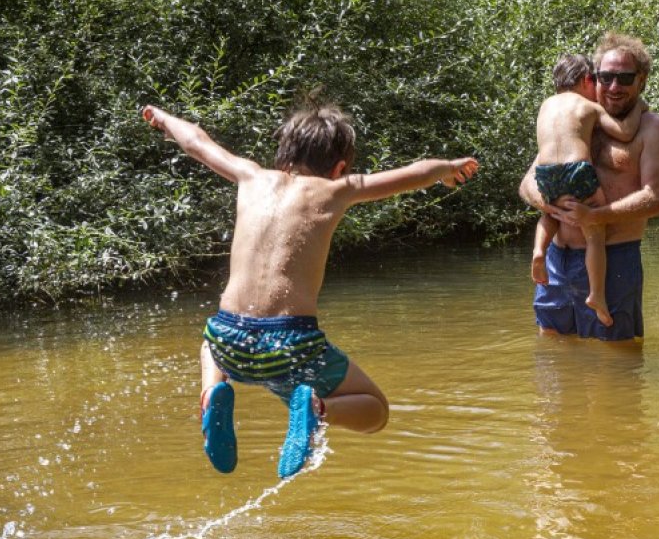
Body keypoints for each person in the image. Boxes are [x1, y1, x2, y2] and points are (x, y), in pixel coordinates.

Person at [142, 102, 478, 478]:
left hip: (229, 338)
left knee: (209, 342)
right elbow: (416, 173)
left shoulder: (249, 175)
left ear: (284, 153)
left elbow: (196, 142)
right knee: (375, 410)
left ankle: (211, 395)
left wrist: (165, 120)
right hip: (291, 344)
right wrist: (448, 169)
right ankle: (318, 409)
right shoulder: (338, 189)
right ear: (339, 168)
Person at [519, 32, 659, 342]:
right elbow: (526, 184)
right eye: (606, 77)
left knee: (614, 361)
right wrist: (549, 206)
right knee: (553, 350)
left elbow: (656, 200)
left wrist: (595, 216)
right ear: (594, 78)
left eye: (625, 77)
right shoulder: (579, 121)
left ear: (642, 80)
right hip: (557, 259)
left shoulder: (653, 128)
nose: (614, 86)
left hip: (614, 257)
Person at [530, 53, 647, 328]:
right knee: (594, 230)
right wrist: (639, 106)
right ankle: (597, 295)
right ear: (586, 80)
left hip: (545, 173)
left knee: (552, 212)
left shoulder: (546, 105)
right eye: (598, 80)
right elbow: (625, 132)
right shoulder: (587, 106)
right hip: (576, 170)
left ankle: (538, 250)